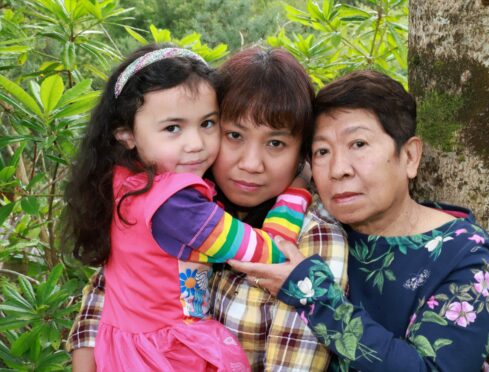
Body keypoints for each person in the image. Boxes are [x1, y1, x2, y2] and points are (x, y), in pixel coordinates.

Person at [66, 46, 349, 371]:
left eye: (275, 143)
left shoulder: (316, 241)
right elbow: (106, 292)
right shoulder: (172, 203)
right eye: (234, 135)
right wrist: (297, 190)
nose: (251, 164)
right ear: (127, 135)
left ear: (302, 150)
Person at [230, 70, 489, 371]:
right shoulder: (312, 229)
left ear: (410, 156)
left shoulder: (465, 254)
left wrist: (312, 295)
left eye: (358, 144)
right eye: (322, 151)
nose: (338, 169)